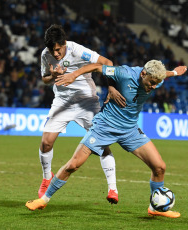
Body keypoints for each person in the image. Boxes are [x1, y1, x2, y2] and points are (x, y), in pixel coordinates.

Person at [26, 60, 187, 218]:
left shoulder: (155, 78)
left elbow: (162, 75)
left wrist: (174, 72)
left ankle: (155, 207)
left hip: (130, 129)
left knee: (159, 168)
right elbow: (97, 67)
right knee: (73, 165)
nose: (153, 87)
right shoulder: (124, 73)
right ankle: (43, 199)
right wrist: (73, 75)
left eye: (156, 83)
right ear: (143, 74)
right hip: (104, 127)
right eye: (151, 82)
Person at [37, 24, 126, 204]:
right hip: (62, 101)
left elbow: (107, 62)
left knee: (101, 145)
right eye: (51, 50)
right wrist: (53, 76)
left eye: (57, 50)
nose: (55, 54)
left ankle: (113, 188)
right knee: (46, 142)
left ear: (64, 44)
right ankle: (47, 178)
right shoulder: (45, 54)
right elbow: (45, 79)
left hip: (87, 101)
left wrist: (110, 86)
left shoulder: (77, 50)